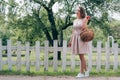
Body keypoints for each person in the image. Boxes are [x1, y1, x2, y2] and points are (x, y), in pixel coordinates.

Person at [68, 6, 90, 78]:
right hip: (75, 38)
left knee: (81, 56)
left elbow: (84, 28)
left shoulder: (84, 19)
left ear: (81, 12)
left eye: (78, 10)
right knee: (81, 56)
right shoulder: (75, 20)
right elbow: (73, 31)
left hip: (81, 38)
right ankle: (86, 70)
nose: (76, 12)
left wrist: (85, 20)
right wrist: (71, 41)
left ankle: (81, 73)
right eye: (76, 10)